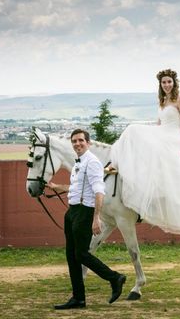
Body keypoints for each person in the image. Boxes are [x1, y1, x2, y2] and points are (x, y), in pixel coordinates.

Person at [109, 68, 180, 235]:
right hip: (163, 134)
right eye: (163, 82)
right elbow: (159, 123)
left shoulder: (179, 99)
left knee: (132, 129)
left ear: (174, 83)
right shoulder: (163, 100)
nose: (166, 85)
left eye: (169, 82)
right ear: (160, 84)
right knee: (136, 135)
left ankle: (115, 162)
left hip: (174, 138)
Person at [48, 129, 126, 310]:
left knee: (81, 254)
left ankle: (115, 278)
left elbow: (99, 191)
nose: (77, 144)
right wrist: (55, 186)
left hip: (84, 212)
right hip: (73, 211)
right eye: (74, 141)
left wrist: (96, 218)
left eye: (81, 140)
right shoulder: (79, 163)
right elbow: (75, 187)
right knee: (72, 256)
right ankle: (79, 298)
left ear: (88, 143)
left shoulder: (91, 162)